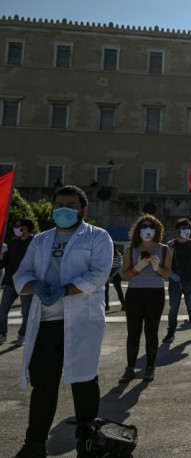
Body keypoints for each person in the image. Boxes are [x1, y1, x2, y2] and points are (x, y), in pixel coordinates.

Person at [12, 185, 113, 457]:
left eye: (70, 205)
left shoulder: (98, 237)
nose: (63, 210)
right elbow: (21, 274)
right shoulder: (41, 240)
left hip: (81, 321)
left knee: (83, 380)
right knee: (43, 386)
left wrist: (65, 290)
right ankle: (34, 444)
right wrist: (33, 285)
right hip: (45, 321)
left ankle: (87, 441)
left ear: (83, 210)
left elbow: (99, 275)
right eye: (59, 205)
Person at [118, 215, 171, 384]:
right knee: (133, 333)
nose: (147, 229)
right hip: (134, 294)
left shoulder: (164, 249)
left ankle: (149, 367)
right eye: (144, 226)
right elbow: (125, 276)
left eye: (151, 226)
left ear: (157, 230)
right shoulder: (130, 250)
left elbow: (167, 275)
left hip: (155, 294)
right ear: (138, 230)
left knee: (151, 331)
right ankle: (130, 368)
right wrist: (138, 267)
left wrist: (157, 267)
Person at [163, 218, 191, 343]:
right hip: (175, 281)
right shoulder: (171, 244)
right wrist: (171, 275)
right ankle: (170, 332)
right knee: (173, 308)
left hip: (190, 280)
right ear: (178, 230)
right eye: (183, 228)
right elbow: (164, 262)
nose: (186, 231)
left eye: (188, 228)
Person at [0, 218, 35, 346]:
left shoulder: (35, 243)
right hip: (11, 282)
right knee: (3, 310)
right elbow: (6, 262)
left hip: (27, 283)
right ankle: (2, 334)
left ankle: (22, 335)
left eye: (21, 227)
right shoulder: (12, 243)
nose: (17, 229)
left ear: (27, 229)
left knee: (26, 312)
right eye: (17, 226)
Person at [104, 243, 124, 311]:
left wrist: (112, 276)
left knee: (118, 290)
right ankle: (106, 306)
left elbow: (119, 267)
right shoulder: (107, 255)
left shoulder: (118, 255)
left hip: (114, 273)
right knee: (105, 291)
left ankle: (123, 304)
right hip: (107, 273)